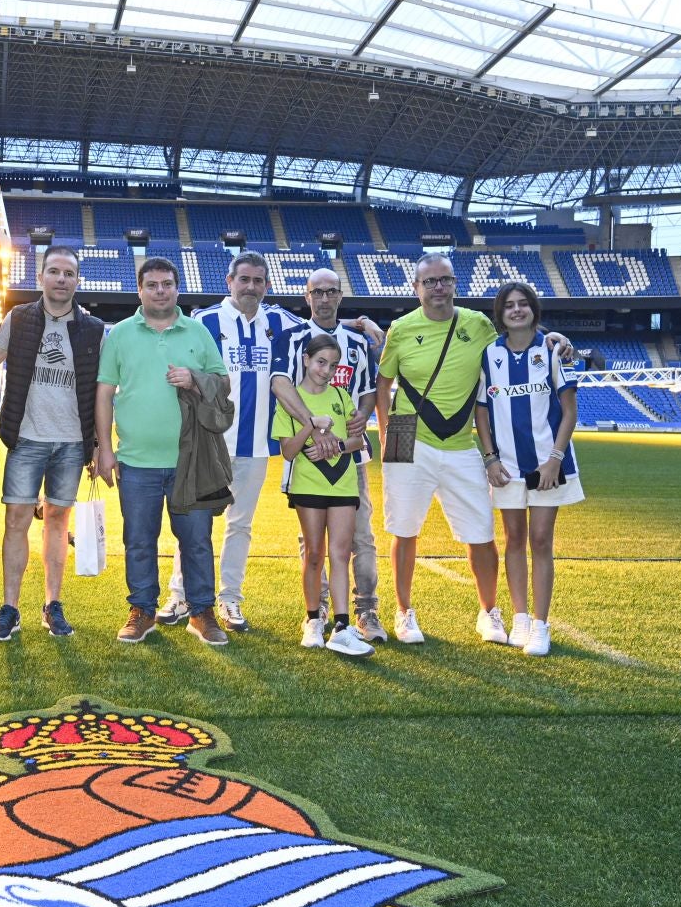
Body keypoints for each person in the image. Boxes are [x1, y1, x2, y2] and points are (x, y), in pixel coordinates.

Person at [157, 251, 307, 632]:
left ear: (267, 286)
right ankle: (180, 594)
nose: (251, 287)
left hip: (256, 445)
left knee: (240, 525)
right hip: (210, 442)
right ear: (230, 282)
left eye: (259, 281)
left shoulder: (281, 321)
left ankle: (229, 599)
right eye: (244, 279)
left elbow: (320, 326)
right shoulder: (205, 321)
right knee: (195, 521)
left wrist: (360, 321)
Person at [94, 256, 231, 647]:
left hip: (192, 460)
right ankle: (142, 610)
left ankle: (201, 611)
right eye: (152, 285)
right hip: (136, 461)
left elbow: (223, 384)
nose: (160, 291)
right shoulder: (120, 334)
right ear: (140, 290)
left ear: (176, 288)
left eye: (167, 284)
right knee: (139, 539)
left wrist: (194, 379)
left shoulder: (197, 332)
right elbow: (104, 392)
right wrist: (105, 449)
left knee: (197, 539)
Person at [373, 253, 505, 644]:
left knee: (481, 532)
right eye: (429, 282)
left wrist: (553, 338)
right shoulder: (400, 328)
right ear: (416, 288)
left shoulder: (478, 324)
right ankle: (403, 612)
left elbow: (510, 354)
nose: (438, 288)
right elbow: (383, 385)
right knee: (403, 529)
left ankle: (488, 612)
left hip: (462, 440)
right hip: (404, 433)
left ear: (454, 284)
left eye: (444, 280)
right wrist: (385, 434)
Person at [0, 246, 104, 641]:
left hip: (71, 443)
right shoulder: (18, 319)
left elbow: (104, 391)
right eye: (54, 271)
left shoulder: (94, 329)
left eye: (69, 273)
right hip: (27, 439)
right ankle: (10, 607)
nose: (61, 279)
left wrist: (99, 443)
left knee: (57, 521)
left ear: (77, 280)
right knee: (16, 521)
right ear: (41, 278)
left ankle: (52, 605)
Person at [270, 266, 386, 642]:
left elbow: (368, 390)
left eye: (331, 291)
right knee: (313, 544)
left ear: (340, 295)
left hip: (350, 458)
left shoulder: (355, 343)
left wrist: (361, 420)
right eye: (316, 291)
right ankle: (316, 611)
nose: (323, 298)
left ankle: (365, 611)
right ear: (307, 296)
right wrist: (313, 429)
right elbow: (281, 384)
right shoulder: (293, 339)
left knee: (361, 537)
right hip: (307, 456)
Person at [475, 281, 582, 657]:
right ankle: (519, 617)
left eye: (523, 304)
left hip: (545, 463)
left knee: (540, 539)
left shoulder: (551, 350)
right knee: (514, 538)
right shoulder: (490, 355)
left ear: (533, 309)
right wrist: (489, 458)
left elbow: (569, 411)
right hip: (507, 467)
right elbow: (482, 411)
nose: (517, 310)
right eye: (509, 306)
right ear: (500, 314)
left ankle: (540, 624)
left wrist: (555, 458)